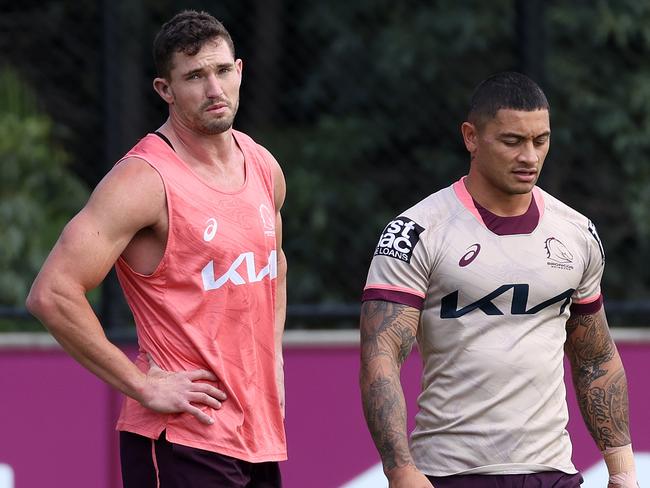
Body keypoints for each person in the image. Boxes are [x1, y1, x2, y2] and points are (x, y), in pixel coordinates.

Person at [26, 10, 287, 488]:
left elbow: (274, 265)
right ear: (165, 90)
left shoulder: (263, 166)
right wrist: (142, 384)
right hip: (180, 439)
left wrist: (273, 365)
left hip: (256, 434)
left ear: (240, 70)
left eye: (223, 71)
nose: (214, 89)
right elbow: (52, 292)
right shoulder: (142, 180)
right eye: (194, 77)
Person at [359, 72, 638, 488]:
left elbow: (594, 357)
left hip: (553, 473)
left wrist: (623, 470)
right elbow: (380, 358)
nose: (529, 156)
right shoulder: (416, 231)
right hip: (450, 472)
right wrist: (400, 471)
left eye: (540, 141)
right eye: (512, 141)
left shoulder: (578, 232)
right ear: (471, 137)